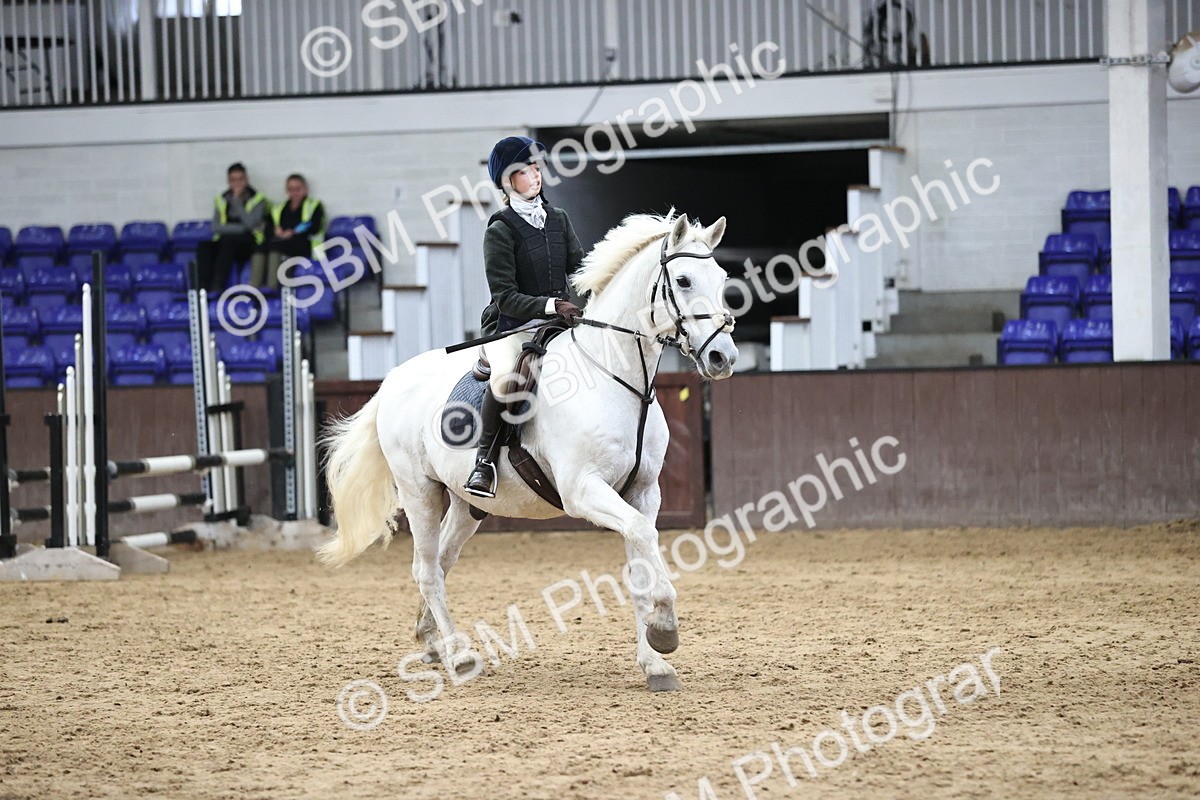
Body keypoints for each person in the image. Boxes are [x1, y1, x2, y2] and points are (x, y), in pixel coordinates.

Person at [464, 136, 586, 499]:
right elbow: (505, 297)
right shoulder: (500, 229)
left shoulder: (559, 219)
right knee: (505, 379)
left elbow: (580, 270)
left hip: (557, 322)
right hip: (511, 324)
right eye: (525, 170)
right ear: (506, 181)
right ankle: (483, 462)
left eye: (536, 167)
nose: (535, 174)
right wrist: (553, 305)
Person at [197, 163, 269, 292]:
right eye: (233, 180)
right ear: (228, 181)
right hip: (225, 239)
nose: (237, 183)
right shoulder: (221, 199)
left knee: (228, 244)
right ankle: (202, 288)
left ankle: (217, 285)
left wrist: (237, 202)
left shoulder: (258, 199)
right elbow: (215, 227)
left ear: (246, 179)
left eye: (240, 179)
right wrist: (239, 228)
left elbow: (250, 224)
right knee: (204, 246)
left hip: (249, 242)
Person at [254, 174, 326, 290]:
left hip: (305, 243)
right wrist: (275, 231)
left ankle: (273, 287)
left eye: (298, 189)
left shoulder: (314, 205)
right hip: (283, 242)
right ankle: (254, 288)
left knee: (276, 246)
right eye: (291, 189)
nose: (294, 193)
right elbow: (269, 227)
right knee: (260, 247)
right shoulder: (279, 208)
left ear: (305, 189)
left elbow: (313, 225)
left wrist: (293, 232)